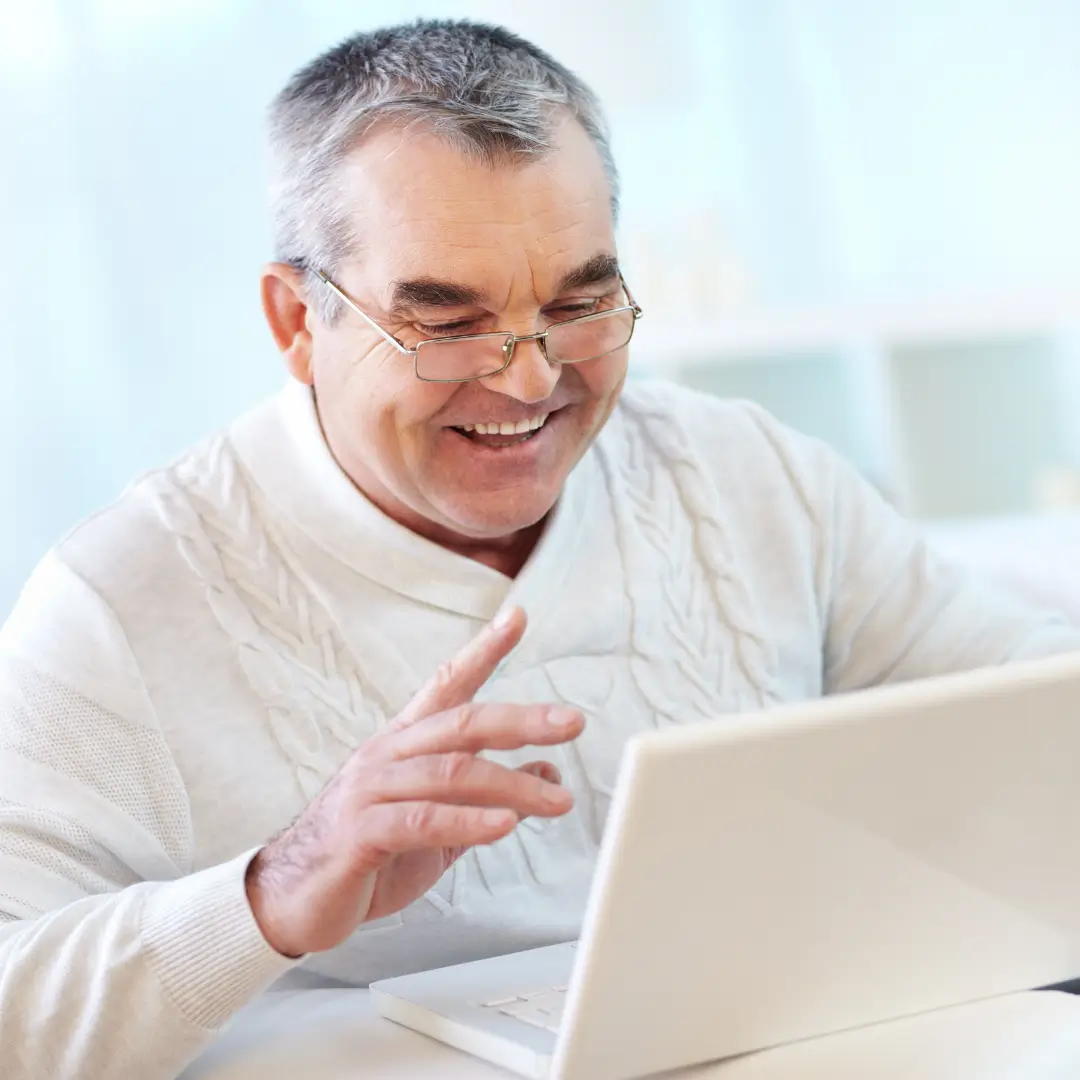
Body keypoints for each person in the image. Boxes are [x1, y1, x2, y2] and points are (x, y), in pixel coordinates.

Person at [0, 18, 1076, 1080]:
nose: (528, 380)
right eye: (447, 322)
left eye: (580, 301)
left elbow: (1032, 706)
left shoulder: (742, 473)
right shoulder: (121, 599)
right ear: (296, 321)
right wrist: (279, 885)